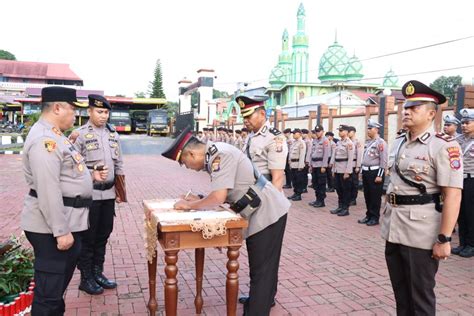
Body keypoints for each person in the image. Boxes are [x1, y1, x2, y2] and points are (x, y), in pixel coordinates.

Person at [162, 126, 290, 316]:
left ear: (190, 153)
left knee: (262, 269)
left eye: (184, 162)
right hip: (258, 208)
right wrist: (198, 198)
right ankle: (261, 298)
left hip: (268, 211)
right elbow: (227, 190)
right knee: (264, 267)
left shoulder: (219, 155)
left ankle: (257, 309)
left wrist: (190, 205)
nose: (186, 166)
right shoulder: (215, 153)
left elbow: (218, 198)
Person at [21, 86, 108, 315]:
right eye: (71, 109)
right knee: (48, 297)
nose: (74, 114)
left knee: (55, 293)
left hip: (67, 221)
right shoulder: (44, 140)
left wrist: (90, 176)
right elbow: (48, 189)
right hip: (51, 228)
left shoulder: (56, 135)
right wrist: (60, 231)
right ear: (57, 108)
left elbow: (65, 174)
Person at [381, 80, 463, 315]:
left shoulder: (443, 146)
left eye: (413, 108)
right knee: (402, 294)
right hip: (394, 227)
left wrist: (445, 238)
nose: (406, 111)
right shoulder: (398, 142)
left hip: (421, 233)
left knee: (421, 298)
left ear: (430, 114)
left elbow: (452, 195)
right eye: (405, 107)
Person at [73, 95, 126, 295]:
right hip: (90, 196)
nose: (103, 116)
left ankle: (97, 273)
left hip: (109, 195)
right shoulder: (79, 135)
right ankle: (85, 278)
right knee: (88, 238)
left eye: (106, 112)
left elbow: (119, 164)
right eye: (99, 112)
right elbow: (72, 169)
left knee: (103, 235)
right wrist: (91, 175)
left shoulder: (113, 134)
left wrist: (121, 191)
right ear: (89, 112)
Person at [452, 108, 474, 257]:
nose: (464, 125)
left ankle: (471, 245)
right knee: (460, 213)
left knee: (471, 213)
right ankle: (462, 243)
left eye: (467, 122)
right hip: (459, 180)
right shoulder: (458, 140)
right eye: (463, 123)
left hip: (472, 179)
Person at [358, 119, 387, 226]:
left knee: (375, 196)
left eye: (370, 129)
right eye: (368, 128)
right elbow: (364, 158)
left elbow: (383, 160)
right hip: (366, 172)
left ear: (376, 129)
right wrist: (361, 172)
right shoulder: (368, 142)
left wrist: (379, 175)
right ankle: (368, 215)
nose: (368, 131)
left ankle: (375, 217)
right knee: (367, 195)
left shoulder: (381, 143)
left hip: (375, 173)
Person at [329, 125, 354, 216]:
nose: (339, 132)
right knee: (338, 189)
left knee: (345, 190)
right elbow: (335, 156)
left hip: (344, 170)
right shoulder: (338, 142)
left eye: (341, 130)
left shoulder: (349, 143)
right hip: (337, 169)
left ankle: (345, 208)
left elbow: (350, 159)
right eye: (339, 130)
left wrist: (347, 171)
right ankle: (340, 206)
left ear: (347, 132)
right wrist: (333, 169)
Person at [308, 125, 330, 207]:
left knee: (321, 183)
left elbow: (326, 154)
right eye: (316, 131)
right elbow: (311, 153)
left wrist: (324, 166)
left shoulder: (325, 141)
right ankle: (317, 199)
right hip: (314, 165)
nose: (317, 133)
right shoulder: (314, 141)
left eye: (319, 131)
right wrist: (310, 165)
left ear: (322, 131)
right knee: (315, 183)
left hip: (321, 165)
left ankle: (321, 201)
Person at [287, 128, 306, 201]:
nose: (293, 135)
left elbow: (302, 155)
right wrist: (289, 161)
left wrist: (301, 165)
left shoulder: (301, 143)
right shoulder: (294, 142)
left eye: (295, 133)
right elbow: (291, 153)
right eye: (293, 133)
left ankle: (298, 195)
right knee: (294, 180)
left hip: (298, 164)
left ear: (299, 134)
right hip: (293, 164)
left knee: (299, 181)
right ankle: (295, 193)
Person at [348, 126, 363, 205]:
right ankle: (349, 197)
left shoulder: (357, 142)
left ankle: (353, 199)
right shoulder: (347, 141)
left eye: (349, 132)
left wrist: (358, 166)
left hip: (354, 165)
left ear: (353, 132)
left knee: (354, 183)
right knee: (348, 182)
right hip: (348, 165)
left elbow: (359, 154)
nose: (348, 133)